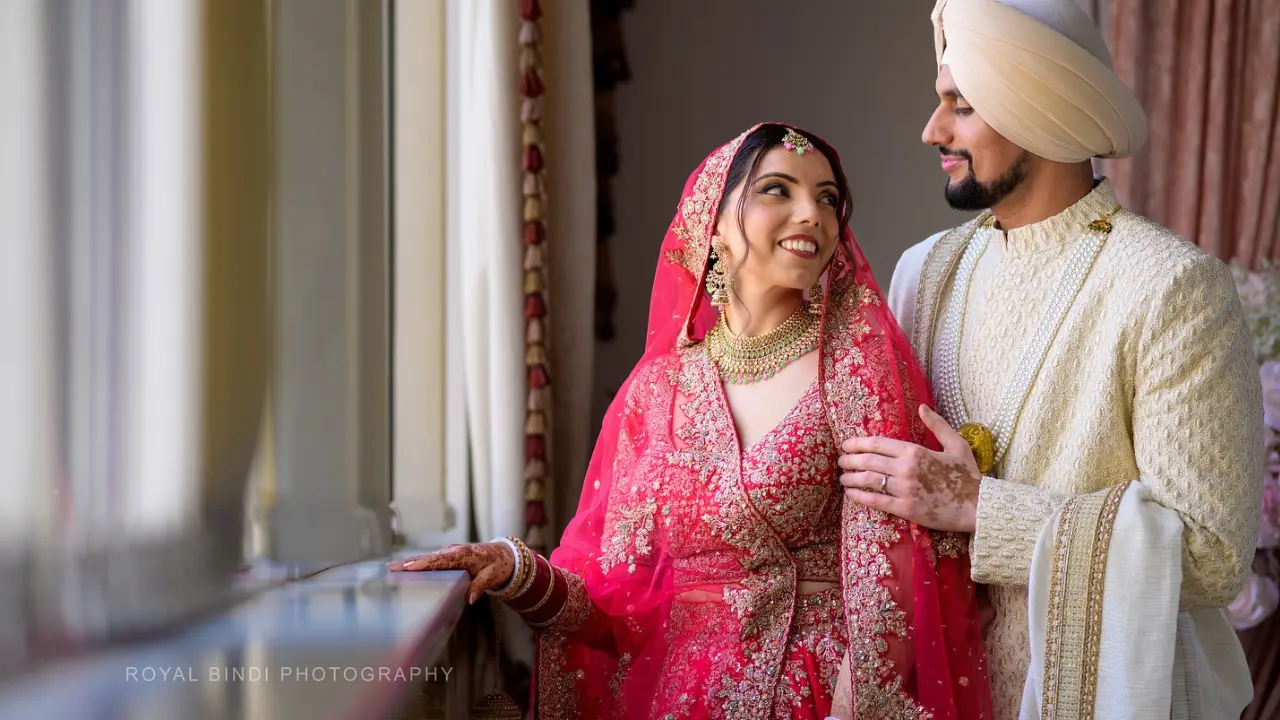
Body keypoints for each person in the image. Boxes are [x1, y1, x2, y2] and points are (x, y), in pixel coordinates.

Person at [391, 123, 993, 719]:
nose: (812, 212)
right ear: (715, 223)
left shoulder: (856, 367)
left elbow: (891, 568)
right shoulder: (660, 390)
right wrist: (515, 571)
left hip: (815, 694)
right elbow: (610, 600)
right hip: (680, 698)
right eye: (778, 190)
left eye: (828, 197)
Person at [836, 1, 1264, 718]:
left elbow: (1215, 553)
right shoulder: (923, 272)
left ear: (1039, 111)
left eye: (961, 107)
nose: (932, 131)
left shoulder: (1171, 286)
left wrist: (981, 508)